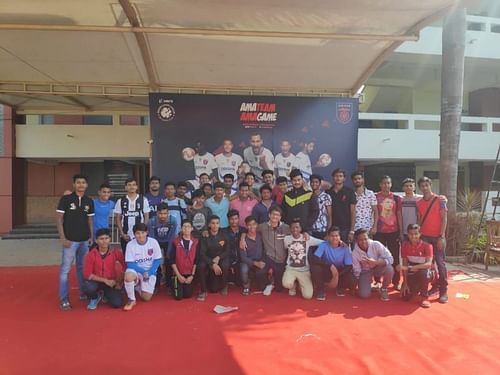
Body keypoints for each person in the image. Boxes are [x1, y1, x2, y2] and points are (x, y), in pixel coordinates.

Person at [56, 174, 95, 311]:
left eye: (83, 182)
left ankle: (83, 293)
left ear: (87, 185)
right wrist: (63, 238)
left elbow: (90, 220)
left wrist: (91, 236)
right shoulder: (66, 199)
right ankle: (64, 299)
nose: (81, 185)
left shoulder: (89, 201)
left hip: (84, 241)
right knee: (65, 270)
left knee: (82, 268)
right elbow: (59, 219)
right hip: (70, 241)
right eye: (78, 182)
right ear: (74, 184)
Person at [241, 206, 291, 295]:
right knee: (260, 273)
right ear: (269, 215)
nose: (275, 217)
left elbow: (297, 232)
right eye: (273, 214)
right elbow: (250, 228)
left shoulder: (286, 228)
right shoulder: (263, 226)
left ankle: (274, 281)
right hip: (268, 257)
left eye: (277, 215)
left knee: (279, 288)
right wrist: (242, 237)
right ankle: (268, 283)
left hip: (281, 259)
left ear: (280, 217)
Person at [416, 176, 448, 304]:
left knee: (440, 264)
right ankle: (432, 287)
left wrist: (441, 236)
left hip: (437, 237)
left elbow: (444, 219)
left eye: (426, 185)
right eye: (422, 186)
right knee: (428, 265)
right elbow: (419, 220)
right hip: (424, 237)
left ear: (430, 186)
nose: (424, 188)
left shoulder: (440, 200)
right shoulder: (418, 202)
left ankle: (443, 291)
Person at [123, 223, 163, 311]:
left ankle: (137, 286)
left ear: (146, 232)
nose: (140, 235)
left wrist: (150, 272)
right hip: (136, 271)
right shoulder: (130, 245)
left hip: (150, 271)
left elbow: (157, 259)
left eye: (142, 232)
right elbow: (130, 263)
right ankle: (131, 300)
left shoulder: (153, 242)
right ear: (134, 234)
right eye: (137, 233)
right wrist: (142, 271)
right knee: (128, 276)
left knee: (146, 298)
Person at [83, 228, 125, 309]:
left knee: (117, 304)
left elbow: (125, 265)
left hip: (111, 281)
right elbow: (87, 274)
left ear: (110, 239)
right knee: (88, 287)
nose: (104, 241)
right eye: (101, 239)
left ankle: (105, 294)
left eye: (106, 238)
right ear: (96, 240)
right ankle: (94, 297)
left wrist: (119, 281)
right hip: (96, 282)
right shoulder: (91, 255)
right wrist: (105, 280)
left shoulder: (115, 252)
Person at [282, 220, 323, 299]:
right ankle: (293, 286)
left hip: (304, 270)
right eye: (293, 228)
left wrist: (339, 242)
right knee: (286, 284)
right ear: (290, 229)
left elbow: (322, 242)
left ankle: (300, 285)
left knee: (308, 296)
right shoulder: (286, 239)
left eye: (297, 227)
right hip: (291, 269)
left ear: (301, 229)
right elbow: (283, 248)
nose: (295, 229)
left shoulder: (307, 238)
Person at [311, 226, 355, 301]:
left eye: (336, 236)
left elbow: (349, 266)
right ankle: (321, 290)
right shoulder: (324, 244)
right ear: (328, 237)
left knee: (350, 279)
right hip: (327, 269)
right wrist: (330, 266)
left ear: (340, 237)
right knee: (315, 268)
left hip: (340, 271)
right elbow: (315, 258)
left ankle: (340, 287)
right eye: (332, 236)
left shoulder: (345, 247)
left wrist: (336, 275)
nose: (334, 238)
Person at [374, 175, 402, 288]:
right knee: (378, 256)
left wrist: (400, 231)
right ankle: (377, 280)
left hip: (393, 231)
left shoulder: (396, 198)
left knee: (394, 257)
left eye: (388, 183)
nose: (386, 185)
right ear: (380, 184)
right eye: (384, 183)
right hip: (379, 231)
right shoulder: (375, 197)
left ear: (391, 184)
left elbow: (399, 214)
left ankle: (396, 282)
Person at [352, 229, 394, 301]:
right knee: (364, 295)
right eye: (361, 240)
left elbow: (391, 259)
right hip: (365, 271)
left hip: (378, 267)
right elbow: (357, 270)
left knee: (389, 269)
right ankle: (369, 286)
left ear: (368, 238)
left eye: (365, 239)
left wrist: (376, 262)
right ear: (356, 241)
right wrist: (356, 284)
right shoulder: (354, 253)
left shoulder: (376, 244)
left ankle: (384, 289)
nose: (364, 242)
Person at [399, 224, 434, 308]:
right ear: (407, 234)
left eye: (416, 234)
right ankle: (417, 288)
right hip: (412, 272)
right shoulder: (404, 246)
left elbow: (428, 264)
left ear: (420, 234)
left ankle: (425, 297)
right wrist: (405, 283)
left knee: (423, 273)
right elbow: (404, 265)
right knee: (405, 297)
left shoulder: (427, 246)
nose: (413, 236)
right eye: (411, 234)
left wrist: (411, 268)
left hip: (424, 271)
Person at [197, 215, 230, 301]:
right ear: (209, 225)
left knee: (225, 264)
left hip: (220, 258)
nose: (215, 225)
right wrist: (212, 263)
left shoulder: (224, 235)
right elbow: (202, 253)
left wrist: (219, 257)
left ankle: (224, 286)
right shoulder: (205, 236)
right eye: (213, 223)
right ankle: (203, 290)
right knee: (201, 266)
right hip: (208, 259)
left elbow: (227, 251)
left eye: (217, 223)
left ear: (219, 224)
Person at [114, 178, 150, 255]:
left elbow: (146, 216)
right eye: (129, 185)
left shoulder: (143, 199)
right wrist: (122, 233)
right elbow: (118, 218)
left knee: (141, 256)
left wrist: (143, 233)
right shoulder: (120, 201)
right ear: (125, 187)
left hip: (140, 236)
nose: (132, 187)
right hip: (126, 235)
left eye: (134, 185)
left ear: (136, 187)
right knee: (126, 256)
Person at [148, 203, 177, 289]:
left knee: (169, 261)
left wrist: (168, 252)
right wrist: (157, 254)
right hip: (156, 241)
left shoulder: (173, 221)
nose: (163, 216)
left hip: (168, 241)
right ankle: (156, 284)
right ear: (157, 213)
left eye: (165, 213)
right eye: (160, 214)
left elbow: (172, 237)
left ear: (168, 213)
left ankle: (168, 284)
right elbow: (152, 238)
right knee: (155, 262)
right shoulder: (152, 222)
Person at [281, 169, 319, 234]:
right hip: (290, 230)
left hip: (306, 230)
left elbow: (315, 212)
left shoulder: (309, 194)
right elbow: (283, 212)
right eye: (294, 180)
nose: (297, 182)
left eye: (299, 180)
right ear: (291, 181)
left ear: (302, 180)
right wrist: (288, 224)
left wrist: (306, 226)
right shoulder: (287, 196)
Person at [239, 216, 267, 295]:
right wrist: (255, 263)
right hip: (248, 262)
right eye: (249, 225)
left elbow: (265, 250)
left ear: (257, 225)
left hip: (259, 260)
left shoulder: (260, 236)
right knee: (244, 269)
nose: (252, 227)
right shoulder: (243, 240)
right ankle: (246, 286)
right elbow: (243, 257)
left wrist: (262, 261)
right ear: (246, 226)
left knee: (262, 287)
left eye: (254, 224)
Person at [327, 168, 356, 243]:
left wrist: (352, 231)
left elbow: (353, 212)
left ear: (344, 178)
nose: (338, 178)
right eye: (336, 176)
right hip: (332, 228)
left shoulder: (350, 192)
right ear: (333, 178)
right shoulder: (327, 192)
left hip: (345, 228)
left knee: (345, 250)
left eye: (340, 176)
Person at [171, 220, 198, 300]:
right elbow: (172, 260)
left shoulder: (196, 242)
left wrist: (192, 276)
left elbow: (197, 260)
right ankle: (174, 283)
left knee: (187, 295)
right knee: (178, 297)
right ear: (181, 228)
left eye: (188, 227)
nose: (186, 229)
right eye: (184, 227)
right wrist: (178, 275)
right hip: (178, 273)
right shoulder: (176, 242)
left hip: (189, 274)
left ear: (192, 228)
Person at [223, 209, 244, 286]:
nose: (234, 221)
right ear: (228, 220)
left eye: (235, 218)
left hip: (240, 259)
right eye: (231, 219)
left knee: (239, 283)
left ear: (238, 219)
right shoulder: (224, 231)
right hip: (228, 259)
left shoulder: (243, 230)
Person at [310, 174, 332, 239]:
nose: (314, 184)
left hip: (323, 230)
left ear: (320, 183)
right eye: (312, 182)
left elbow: (329, 215)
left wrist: (329, 232)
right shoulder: (308, 196)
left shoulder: (326, 196)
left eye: (316, 182)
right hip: (311, 230)